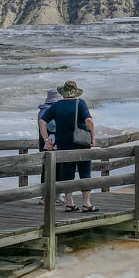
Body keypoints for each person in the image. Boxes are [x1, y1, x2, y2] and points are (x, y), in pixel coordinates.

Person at [39, 81, 96, 212]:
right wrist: (92, 137)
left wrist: (47, 140)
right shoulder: (80, 103)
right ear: (75, 93)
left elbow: (42, 121)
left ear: (63, 93)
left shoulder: (56, 106)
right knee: (85, 173)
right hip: (81, 144)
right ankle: (86, 204)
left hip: (63, 145)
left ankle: (69, 203)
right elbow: (89, 121)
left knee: (67, 174)